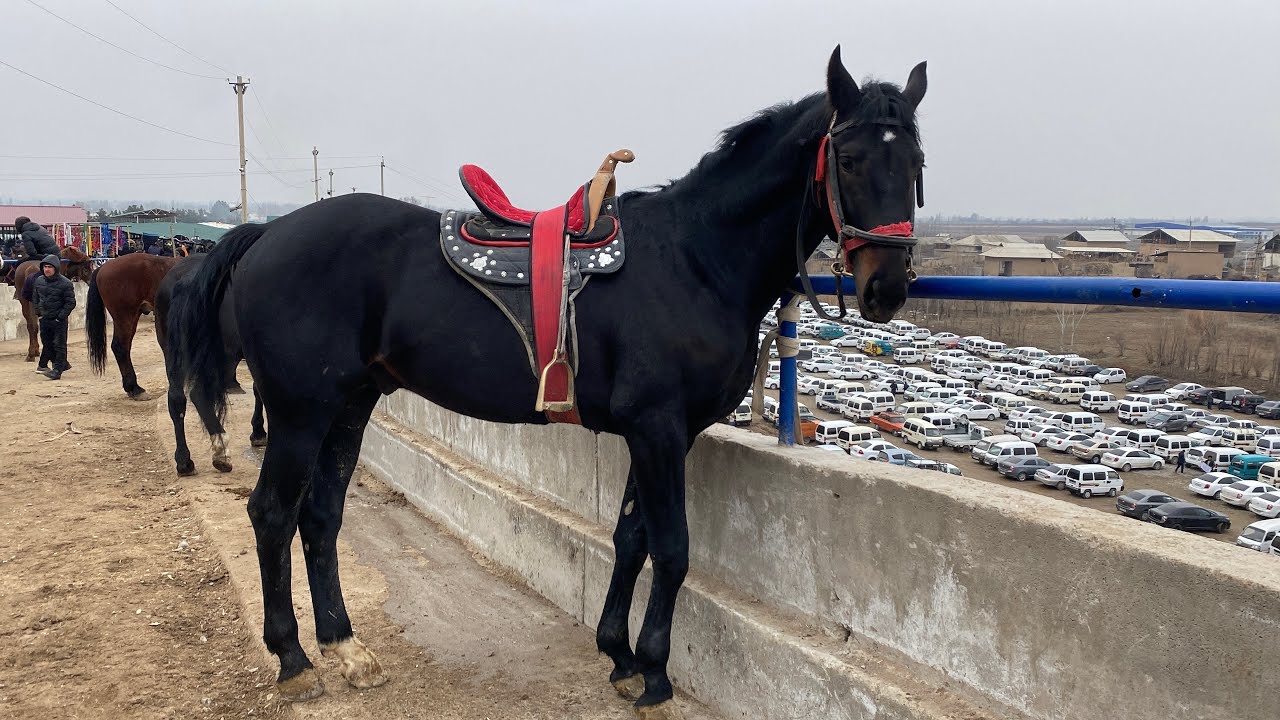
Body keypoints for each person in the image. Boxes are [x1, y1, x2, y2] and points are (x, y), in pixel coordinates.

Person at [31, 254, 75, 379]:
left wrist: (60, 317)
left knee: (59, 345)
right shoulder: (39, 281)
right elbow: (35, 298)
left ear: (56, 268)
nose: (47, 269)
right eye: (45, 267)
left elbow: (70, 302)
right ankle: (61, 365)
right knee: (47, 344)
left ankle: (57, 371)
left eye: (49, 267)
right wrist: (38, 314)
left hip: (58, 320)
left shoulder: (65, 283)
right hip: (44, 319)